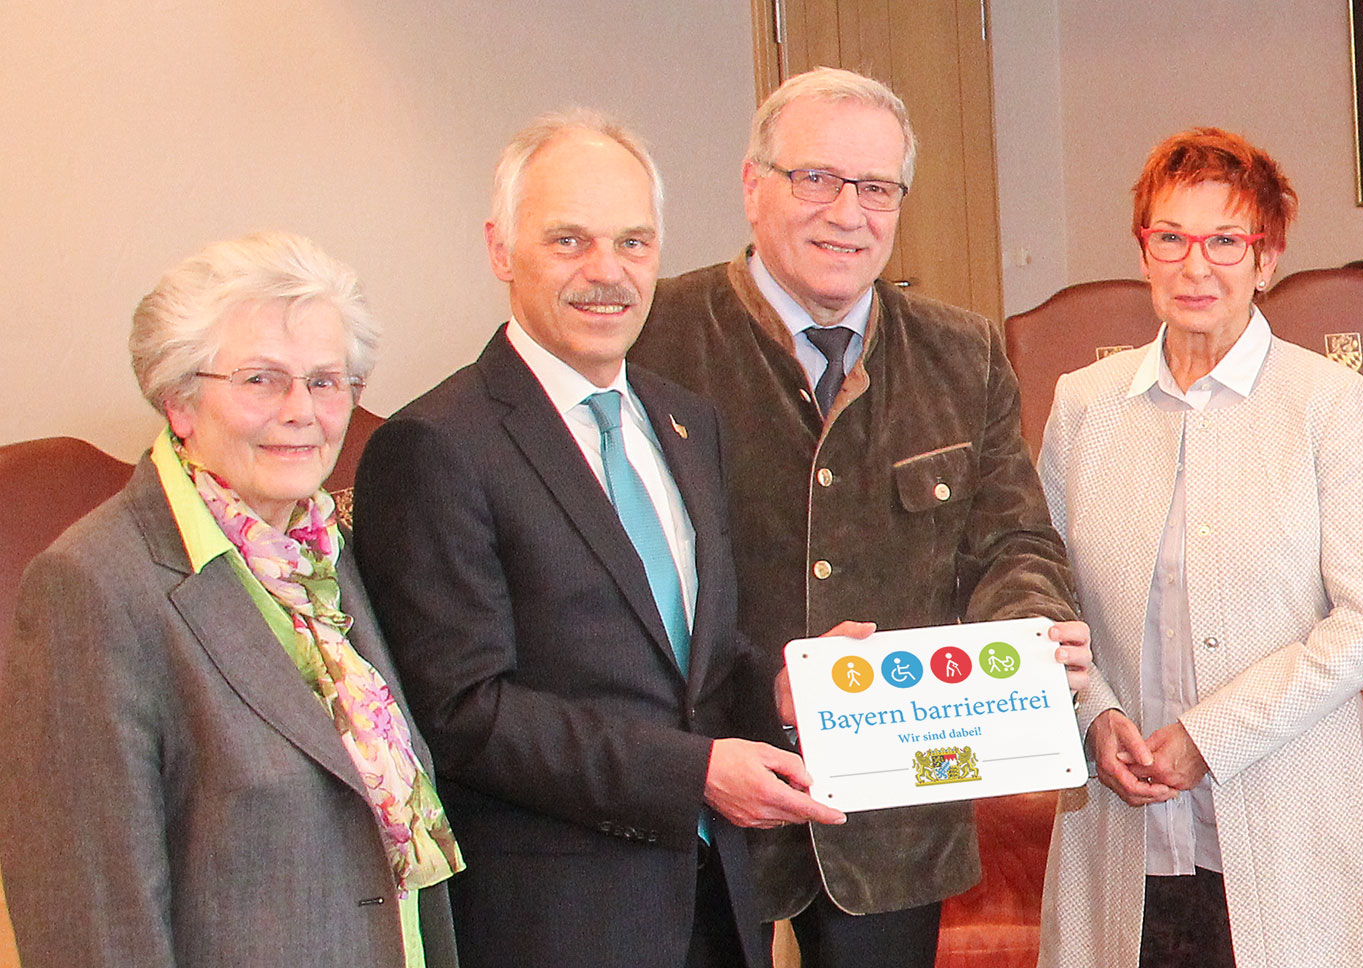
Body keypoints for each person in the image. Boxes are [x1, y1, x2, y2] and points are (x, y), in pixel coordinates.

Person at [353, 109, 844, 968]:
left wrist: (781, 687)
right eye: (569, 241)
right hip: (556, 923)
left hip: (713, 905)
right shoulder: (434, 445)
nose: (607, 274)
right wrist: (691, 774)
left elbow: (690, 651)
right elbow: (464, 712)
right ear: (501, 250)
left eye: (634, 242)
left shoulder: (687, 422)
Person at [630, 67, 1089, 968]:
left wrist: (1025, 629)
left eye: (876, 188)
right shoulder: (657, 338)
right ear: (753, 186)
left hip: (895, 814)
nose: (848, 212)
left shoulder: (961, 352)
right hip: (708, 806)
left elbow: (1013, 540)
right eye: (816, 179)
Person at [0, 231, 462, 967]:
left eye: (325, 380)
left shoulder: (322, 553)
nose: (301, 411)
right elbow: (89, 917)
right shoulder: (92, 586)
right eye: (259, 380)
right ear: (179, 400)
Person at [1034, 128, 1363, 968]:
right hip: (1120, 817)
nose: (1194, 266)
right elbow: (1043, 598)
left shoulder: (1329, 404)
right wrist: (1095, 716)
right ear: (1143, 252)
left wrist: (1210, 735)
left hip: (1285, 818)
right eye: (1169, 237)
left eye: (1225, 241)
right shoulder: (1084, 406)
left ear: (1267, 259)